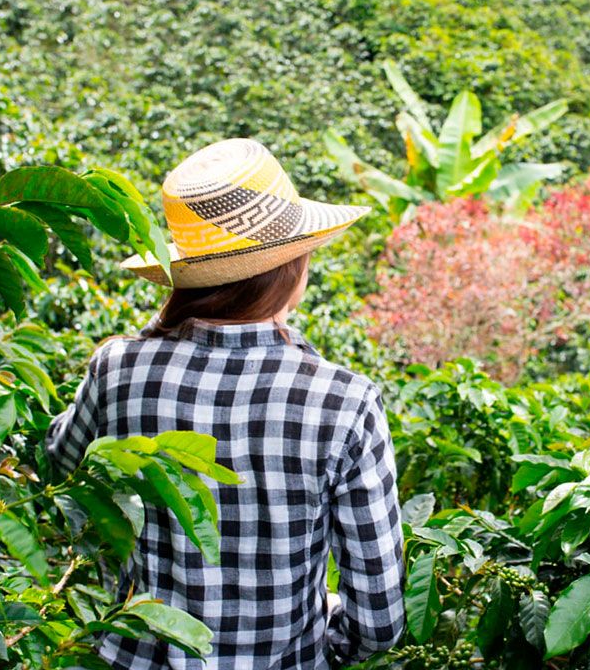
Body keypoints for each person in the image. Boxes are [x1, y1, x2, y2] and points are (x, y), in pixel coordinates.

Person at [45, 138, 404, 669]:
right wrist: (319, 646)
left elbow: (60, 471)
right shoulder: (345, 402)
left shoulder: (117, 369)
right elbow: (379, 617)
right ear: (292, 266)